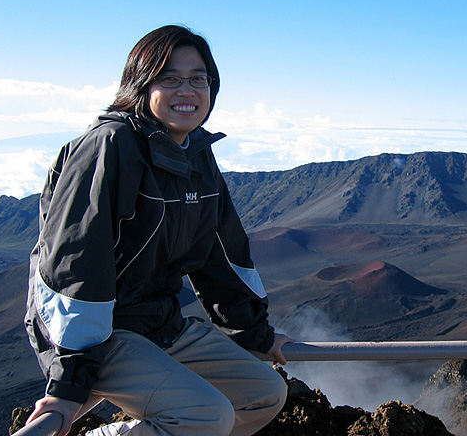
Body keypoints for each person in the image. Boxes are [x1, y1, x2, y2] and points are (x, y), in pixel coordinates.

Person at [24, 24, 293, 436]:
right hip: (97, 332)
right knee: (205, 415)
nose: (186, 90)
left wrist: (255, 334)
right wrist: (70, 378)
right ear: (141, 85)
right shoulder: (110, 146)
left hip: (156, 322)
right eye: (170, 79)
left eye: (198, 79)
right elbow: (74, 267)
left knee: (265, 394)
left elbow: (223, 256)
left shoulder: (196, 154)